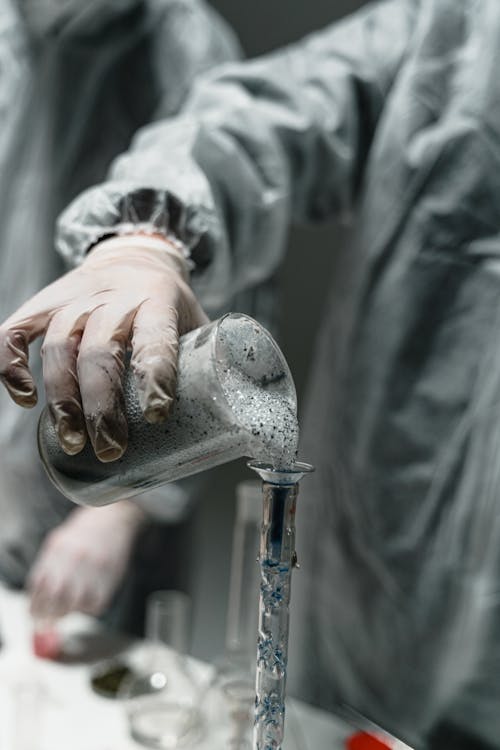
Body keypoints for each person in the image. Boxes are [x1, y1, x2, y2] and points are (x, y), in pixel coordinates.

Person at [0, 0, 497, 746]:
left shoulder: (176, 40)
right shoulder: (462, 31)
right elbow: (264, 115)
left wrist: (122, 511)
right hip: (387, 603)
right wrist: (147, 234)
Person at [0, 0, 241, 630]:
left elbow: (230, 310)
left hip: (112, 473)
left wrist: (127, 507)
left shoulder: (182, 46)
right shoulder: (12, 40)